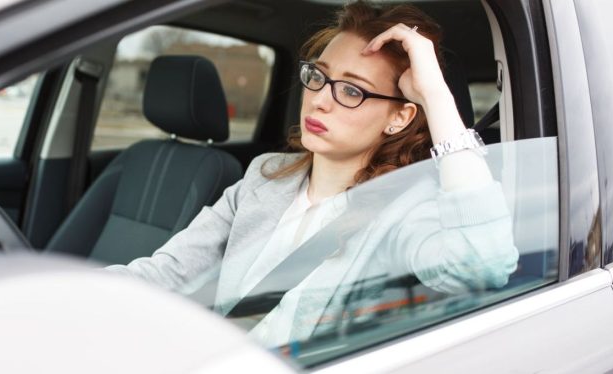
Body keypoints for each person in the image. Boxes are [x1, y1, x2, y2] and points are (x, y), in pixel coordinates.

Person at [107, 1, 518, 346]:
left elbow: (482, 264)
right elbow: (169, 272)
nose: (321, 100)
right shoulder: (266, 176)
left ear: (399, 117)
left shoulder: (406, 206)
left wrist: (435, 95)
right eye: (319, 76)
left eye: (352, 90)